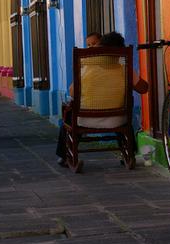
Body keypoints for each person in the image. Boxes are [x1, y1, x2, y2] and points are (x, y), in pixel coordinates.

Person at [56, 32, 147, 165]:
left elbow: (72, 92)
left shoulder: (87, 65)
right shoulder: (125, 69)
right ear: (120, 52)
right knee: (127, 112)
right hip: (117, 119)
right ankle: (129, 153)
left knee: (69, 114)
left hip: (85, 120)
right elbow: (144, 89)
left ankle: (64, 156)